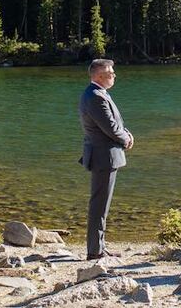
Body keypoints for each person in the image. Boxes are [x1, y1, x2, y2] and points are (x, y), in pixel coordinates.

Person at [79, 58, 133, 260]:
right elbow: (109, 127)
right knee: (99, 205)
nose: (114, 75)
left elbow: (115, 124)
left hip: (104, 155)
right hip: (104, 156)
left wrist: (126, 133)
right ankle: (95, 251)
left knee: (102, 204)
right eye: (111, 73)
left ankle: (99, 247)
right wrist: (126, 139)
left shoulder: (97, 94)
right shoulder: (95, 96)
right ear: (99, 76)